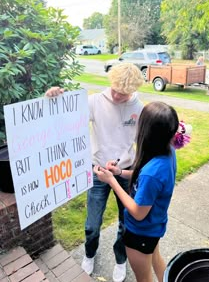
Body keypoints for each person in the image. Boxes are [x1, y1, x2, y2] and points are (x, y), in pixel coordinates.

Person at [45, 63, 144, 282]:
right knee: (92, 223)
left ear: (133, 90)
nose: (118, 96)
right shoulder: (95, 102)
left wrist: (127, 168)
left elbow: (142, 144)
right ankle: (90, 254)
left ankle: (120, 259)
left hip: (124, 171)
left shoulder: (139, 108)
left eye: (124, 93)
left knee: (126, 222)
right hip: (98, 170)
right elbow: (65, 119)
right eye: (115, 89)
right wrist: (54, 98)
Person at [94, 101, 180, 282]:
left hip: (141, 232)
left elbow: (138, 212)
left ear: (147, 133)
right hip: (154, 227)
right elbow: (144, 177)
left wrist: (111, 181)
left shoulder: (152, 173)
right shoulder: (168, 152)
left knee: (144, 278)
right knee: (157, 261)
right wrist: (119, 173)